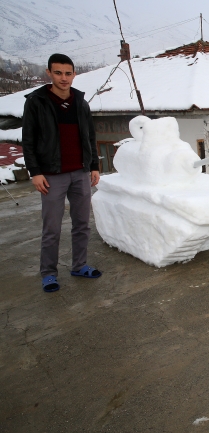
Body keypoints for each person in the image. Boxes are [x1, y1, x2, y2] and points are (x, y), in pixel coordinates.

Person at [22, 53, 102, 293]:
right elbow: (29, 140)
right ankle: (48, 273)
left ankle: (79, 265)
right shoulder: (37, 102)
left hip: (80, 172)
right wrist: (35, 172)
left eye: (68, 73)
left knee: (82, 224)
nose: (64, 78)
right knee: (52, 228)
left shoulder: (80, 101)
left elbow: (90, 136)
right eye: (58, 73)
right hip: (51, 175)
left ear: (74, 74)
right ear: (49, 73)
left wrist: (94, 165)